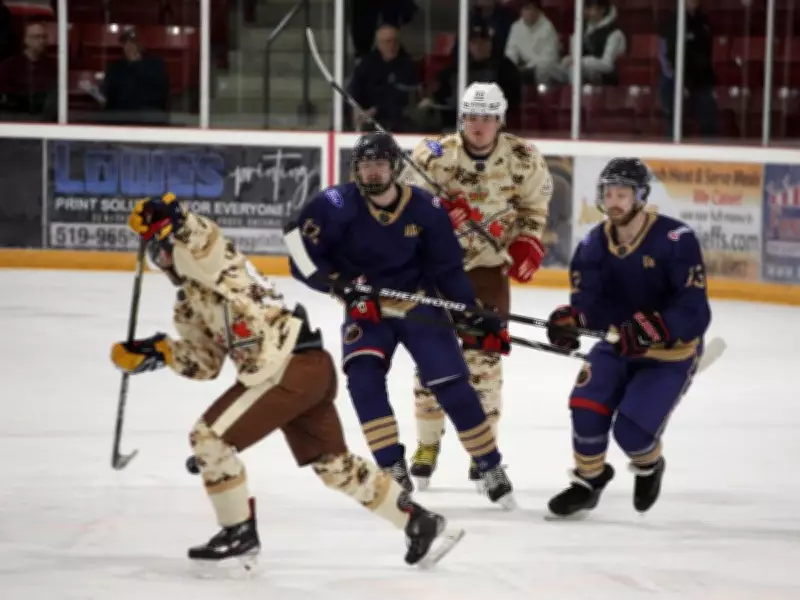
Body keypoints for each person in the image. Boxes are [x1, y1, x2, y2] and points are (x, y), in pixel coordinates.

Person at [108, 193, 465, 569]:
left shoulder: (215, 262)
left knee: (208, 438)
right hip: (298, 371)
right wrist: (161, 353)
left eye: (164, 251)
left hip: (287, 365)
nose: (164, 261)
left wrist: (178, 217)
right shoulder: (187, 306)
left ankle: (238, 531)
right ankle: (419, 522)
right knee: (334, 466)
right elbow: (207, 364)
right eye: (158, 257)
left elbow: (205, 237)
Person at [285, 131, 516, 509]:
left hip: (419, 305)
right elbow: (296, 245)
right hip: (367, 311)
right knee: (363, 379)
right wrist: (340, 286)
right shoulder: (335, 203)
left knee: (452, 386)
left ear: (394, 167)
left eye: (379, 164)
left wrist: (472, 313)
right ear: (354, 168)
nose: (372, 173)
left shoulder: (426, 208)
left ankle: (490, 465)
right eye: (364, 165)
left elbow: (448, 271)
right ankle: (392, 467)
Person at [404, 81, 553, 491]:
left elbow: (534, 208)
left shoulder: (523, 159)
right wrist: (438, 215)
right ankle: (427, 445)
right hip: (435, 272)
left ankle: (481, 451)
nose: (479, 125)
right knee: (430, 363)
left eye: (487, 117)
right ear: (461, 118)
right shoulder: (432, 157)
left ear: (500, 119)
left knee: (484, 365)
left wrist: (527, 243)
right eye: (472, 116)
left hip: (486, 272)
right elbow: (404, 208)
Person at [544, 158, 711, 518]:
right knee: (585, 407)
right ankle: (588, 482)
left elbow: (694, 310)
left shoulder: (676, 240)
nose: (615, 201)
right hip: (619, 345)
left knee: (632, 434)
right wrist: (573, 320)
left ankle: (650, 465)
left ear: (641, 196)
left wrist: (653, 328)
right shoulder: (592, 244)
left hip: (670, 354)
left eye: (623, 194)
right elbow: (590, 305)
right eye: (609, 193)